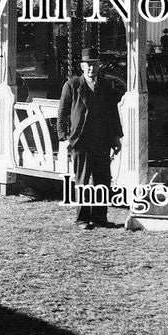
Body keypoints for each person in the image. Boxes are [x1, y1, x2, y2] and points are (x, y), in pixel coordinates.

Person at [56, 48, 124, 229]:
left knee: (103, 180)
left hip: (102, 140)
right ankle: (82, 219)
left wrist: (116, 137)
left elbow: (113, 113)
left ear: (99, 65)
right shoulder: (72, 86)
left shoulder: (106, 85)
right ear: (82, 66)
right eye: (87, 64)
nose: (91, 68)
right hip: (81, 140)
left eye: (94, 64)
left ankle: (100, 218)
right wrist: (63, 138)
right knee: (83, 180)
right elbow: (62, 114)